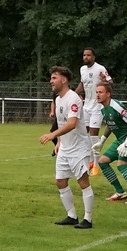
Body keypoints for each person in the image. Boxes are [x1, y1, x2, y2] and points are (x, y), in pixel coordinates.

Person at [39, 66, 94, 229]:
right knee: (60, 181)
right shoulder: (58, 100)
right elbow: (62, 123)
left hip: (78, 148)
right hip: (65, 147)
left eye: (54, 78)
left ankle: (88, 219)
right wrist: (59, 142)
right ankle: (72, 216)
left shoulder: (73, 98)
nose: (51, 81)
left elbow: (71, 124)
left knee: (83, 182)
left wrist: (52, 135)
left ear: (64, 80)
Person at [93, 82, 127, 204]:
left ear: (108, 94)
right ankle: (120, 192)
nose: (97, 95)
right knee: (102, 161)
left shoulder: (117, 106)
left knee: (122, 165)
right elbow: (110, 124)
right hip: (120, 139)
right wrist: (101, 141)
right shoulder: (102, 108)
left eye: (100, 92)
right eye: (96, 92)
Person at [74, 48, 113, 141]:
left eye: (88, 55)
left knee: (93, 134)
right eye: (84, 55)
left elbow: (111, 83)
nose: (86, 57)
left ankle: (96, 150)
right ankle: (86, 150)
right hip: (86, 105)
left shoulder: (100, 68)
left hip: (97, 106)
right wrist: (73, 94)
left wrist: (104, 81)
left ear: (93, 57)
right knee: (83, 132)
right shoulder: (82, 69)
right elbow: (82, 84)